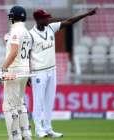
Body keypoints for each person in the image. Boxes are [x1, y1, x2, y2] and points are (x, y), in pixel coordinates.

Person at [30, 8, 97, 138]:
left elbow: (70, 21)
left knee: (49, 101)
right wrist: (28, 74)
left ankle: (48, 128)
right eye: (45, 18)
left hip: (52, 70)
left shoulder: (51, 28)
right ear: (38, 20)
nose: (48, 19)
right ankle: (39, 129)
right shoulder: (30, 34)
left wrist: (86, 14)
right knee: (38, 101)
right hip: (38, 72)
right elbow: (26, 55)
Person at [2, 6, 32, 140]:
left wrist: (2, 69)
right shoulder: (26, 31)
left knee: (9, 106)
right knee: (20, 103)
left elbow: (14, 53)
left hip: (14, 71)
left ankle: (15, 137)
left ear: (12, 17)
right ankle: (26, 134)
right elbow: (22, 53)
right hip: (25, 70)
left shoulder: (15, 31)